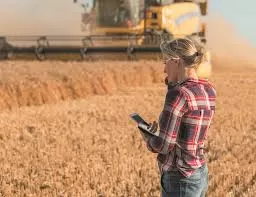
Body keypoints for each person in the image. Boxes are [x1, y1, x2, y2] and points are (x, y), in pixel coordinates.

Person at [144, 38, 216, 197]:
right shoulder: (209, 90)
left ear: (176, 62)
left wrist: (149, 139)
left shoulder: (178, 95)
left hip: (180, 178)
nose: (164, 69)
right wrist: (172, 84)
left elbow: (163, 145)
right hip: (199, 173)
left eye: (165, 63)